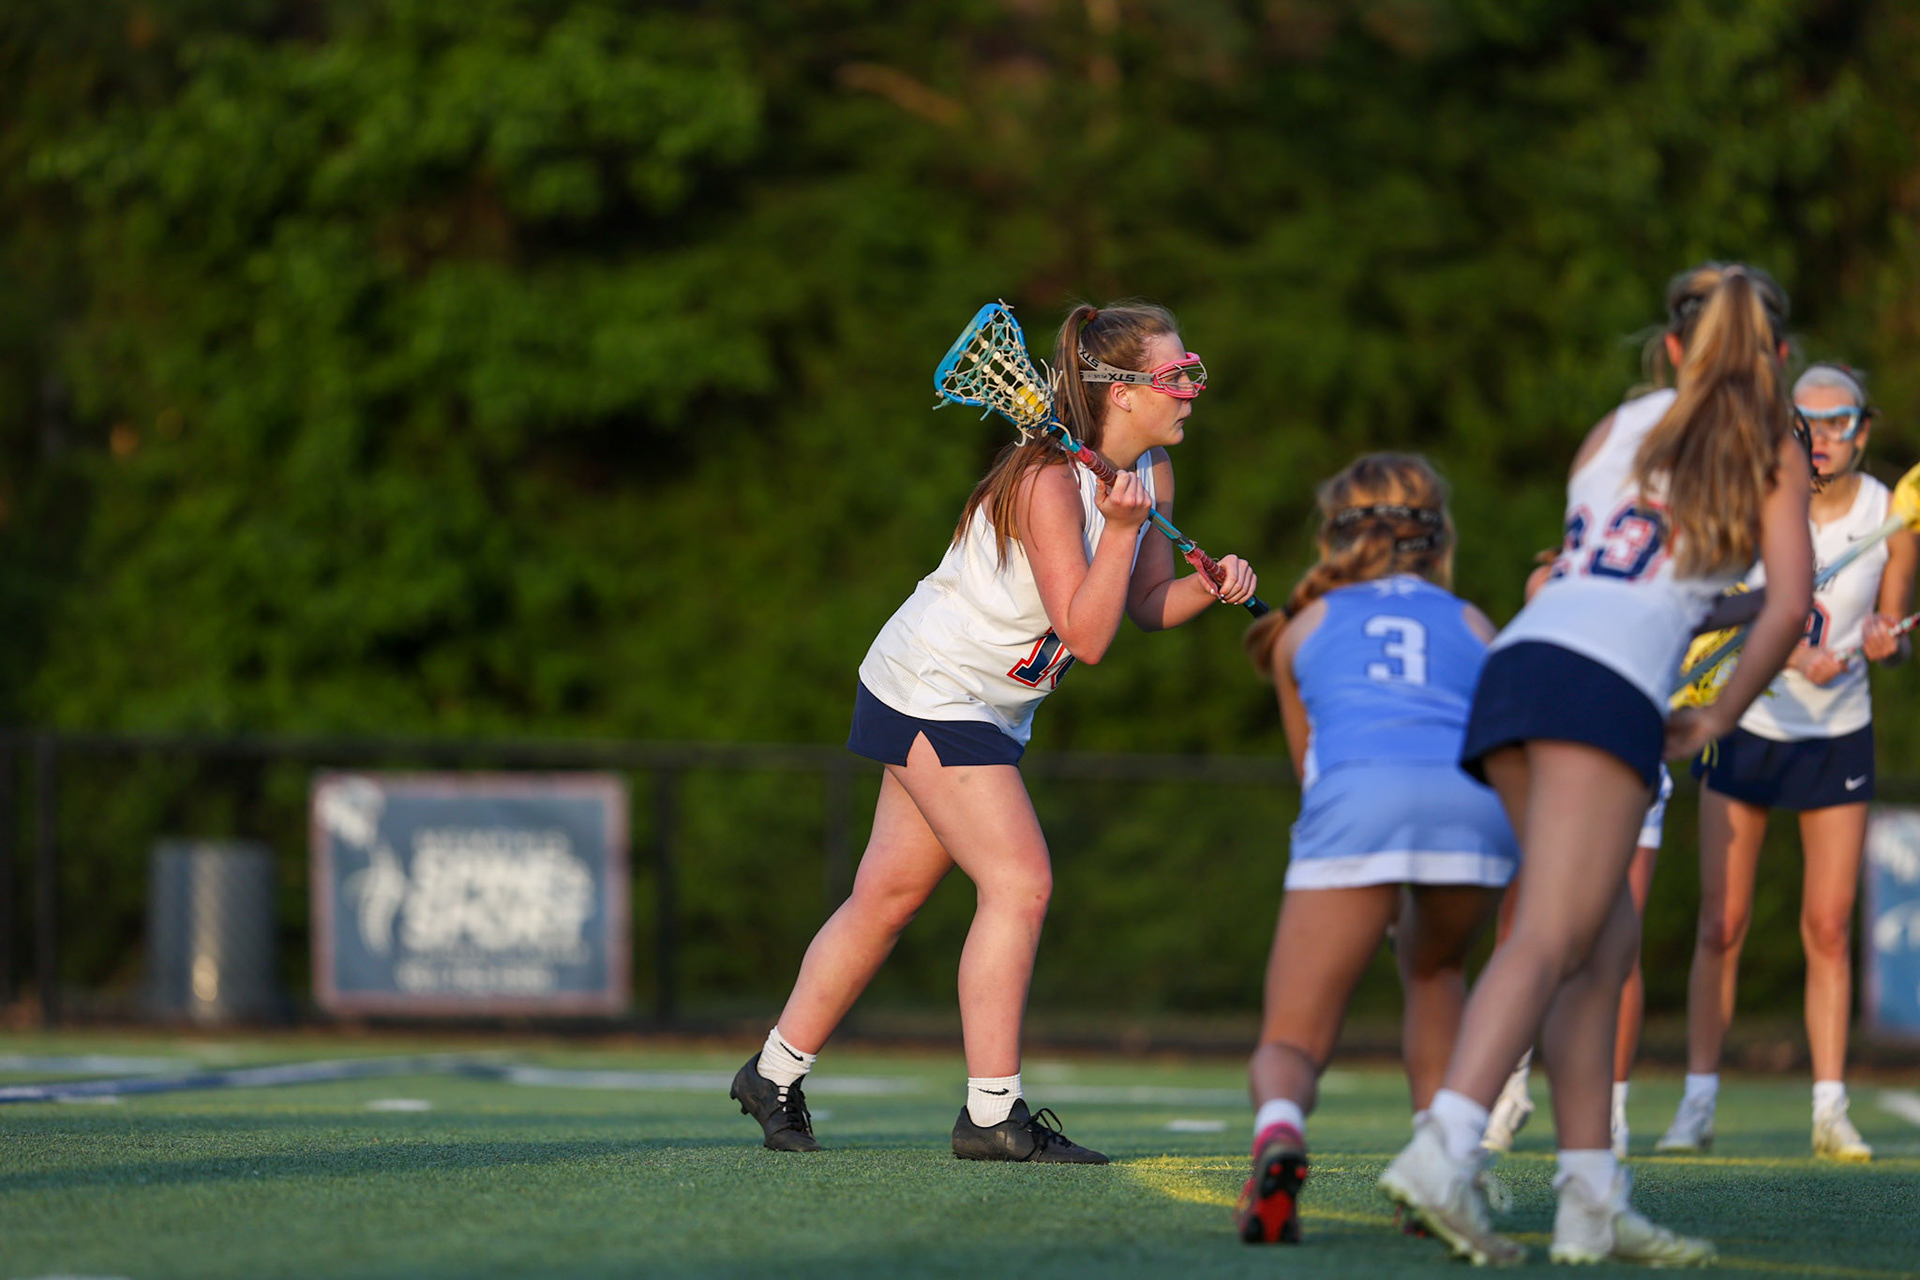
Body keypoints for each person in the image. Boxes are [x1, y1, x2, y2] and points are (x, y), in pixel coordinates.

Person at [728, 302, 1258, 1162]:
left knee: (888, 898)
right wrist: (1118, 531)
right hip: (933, 688)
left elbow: (1145, 606)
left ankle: (772, 1073)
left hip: (990, 705)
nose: (1193, 392)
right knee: (1020, 884)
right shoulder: (1047, 482)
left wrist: (1215, 587)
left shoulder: (1151, 471)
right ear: (1120, 394)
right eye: (1177, 377)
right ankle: (989, 1115)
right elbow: (1087, 637)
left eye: (1193, 370)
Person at [1377, 262, 1812, 1267]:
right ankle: (1445, 1146)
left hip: (1527, 664)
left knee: (1604, 944)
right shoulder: (1771, 444)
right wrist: (1712, 721)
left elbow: (1635, 572)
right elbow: (1790, 605)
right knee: (1551, 934)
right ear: (1779, 357)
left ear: (1673, 348)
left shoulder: (1621, 427)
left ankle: (1589, 1200)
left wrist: (1729, 607)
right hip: (1603, 691)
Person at [1234, 454, 1517, 1244]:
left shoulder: (1300, 630)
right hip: (1473, 813)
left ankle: (1281, 1132)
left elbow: (1310, 770)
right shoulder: (1474, 622)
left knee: (1291, 1039)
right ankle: (1439, 1163)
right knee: (1436, 971)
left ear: (1336, 531)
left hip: (1357, 806)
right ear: (1435, 537)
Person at [1656, 362, 1913, 1162]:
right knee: (1720, 922)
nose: (1825, 439)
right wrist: (1781, 659)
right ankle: (1697, 1105)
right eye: (1809, 423)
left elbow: (1894, 633)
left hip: (1837, 733)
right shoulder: (1753, 504)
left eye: (1840, 424)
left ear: (1863, 431)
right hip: (1747, 720)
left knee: (1829, 927)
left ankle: (1830, 1110)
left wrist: (1883, 641)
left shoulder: (1888, 516)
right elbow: (1717, 608)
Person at [1483, 767, 1671, 1161]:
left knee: (1619, 947)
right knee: (1521, 931)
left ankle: (1612, 1109)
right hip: (1555, 770)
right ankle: (1508, 1092)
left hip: (1629, 763)